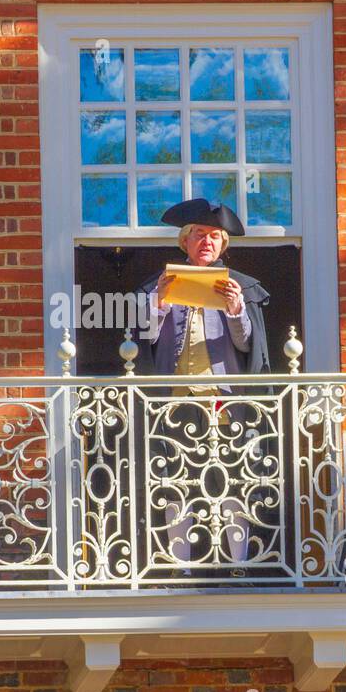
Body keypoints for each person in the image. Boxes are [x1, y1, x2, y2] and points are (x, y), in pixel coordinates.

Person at [128, 199, 274, 576]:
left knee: (231, 479)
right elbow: (144, 341)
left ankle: (238, 564)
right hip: (176, 400)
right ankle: (182, 566)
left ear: (223, 244)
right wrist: (158, 303)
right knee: (177, 481)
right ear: (185, 241)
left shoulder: (240, 288)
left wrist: (237, 311)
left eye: (214, 236)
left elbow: (248, 347)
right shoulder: (158, 286)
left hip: (222, 401)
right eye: (198, 235)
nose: (206, 242)